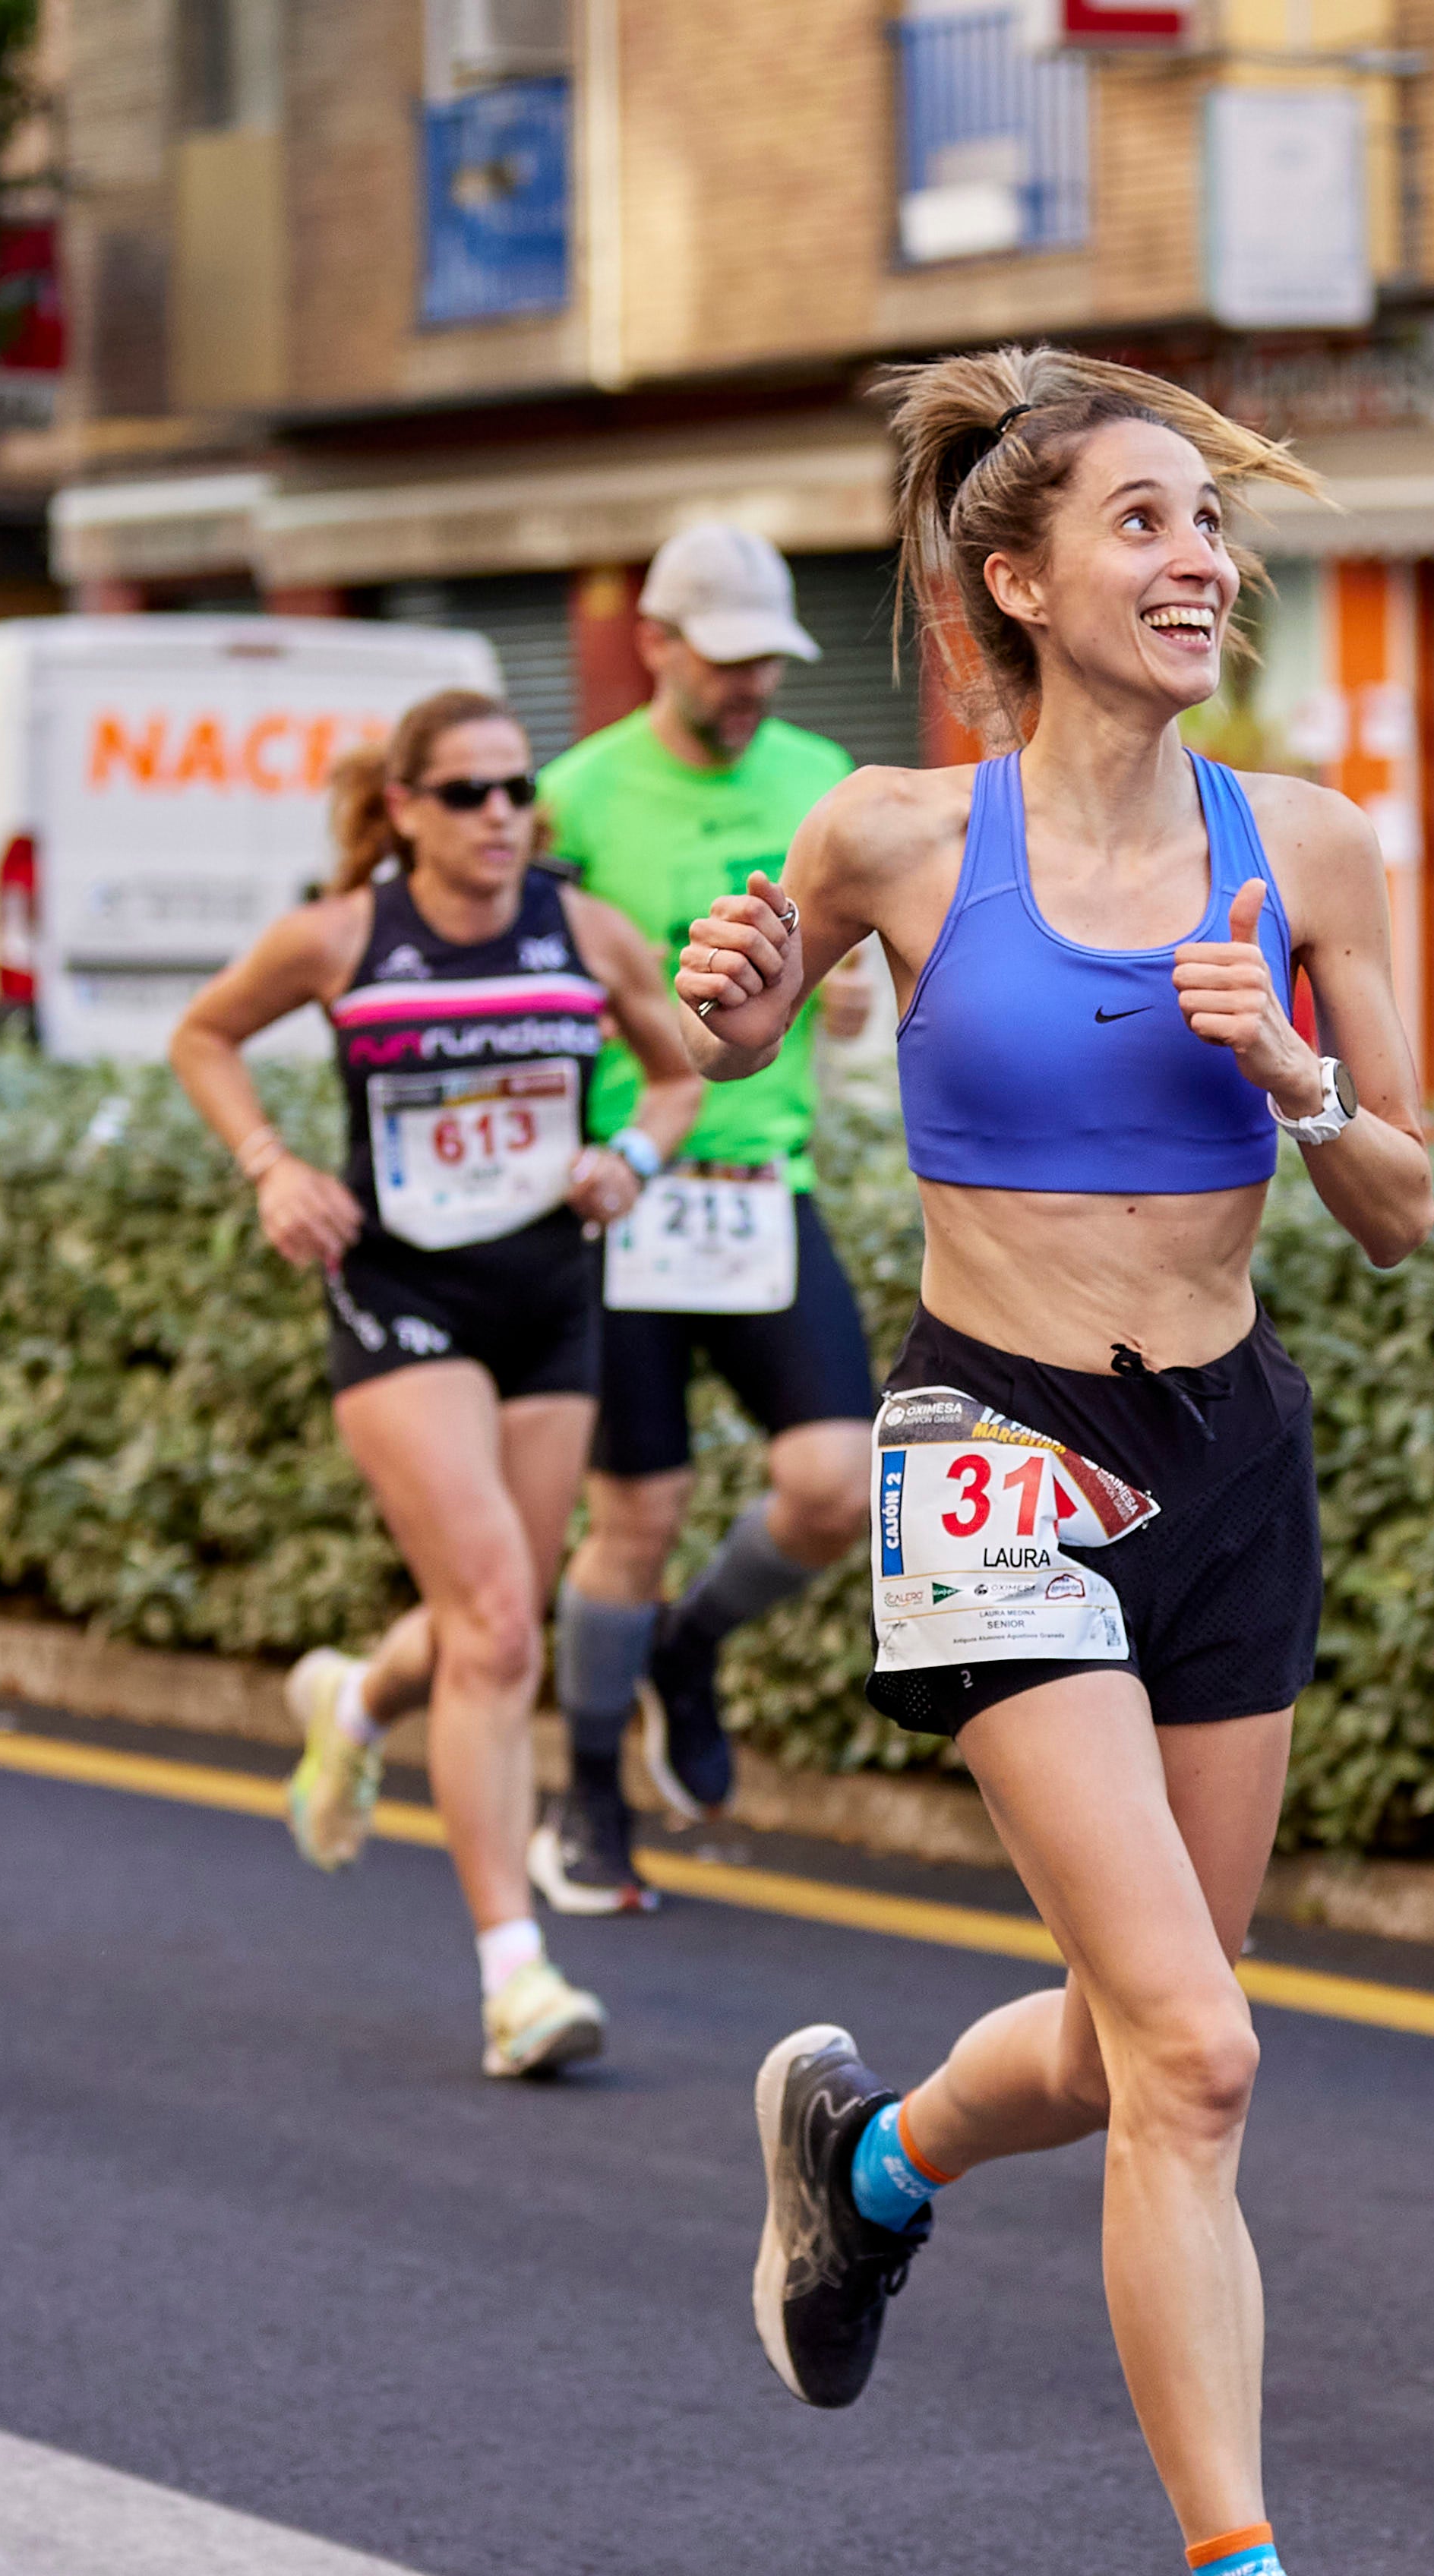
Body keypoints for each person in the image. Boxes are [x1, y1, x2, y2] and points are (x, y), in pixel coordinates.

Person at [676, 348, 1434, 2576]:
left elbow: (1406, 1199)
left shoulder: (1307, 852)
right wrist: (712, 1001)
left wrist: (1297, 1079)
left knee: (1159, 2036)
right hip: (990, 1444)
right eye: (1137, 527)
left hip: (1225, 1448)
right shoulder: (894, 835)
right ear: (1013, 580)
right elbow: (719, 1029)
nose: (1193, 564)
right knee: (1201, 2063)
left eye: (1202, 532)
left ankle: (869, 2168)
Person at [170, 689, 696, 2079]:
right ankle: (513, 1975)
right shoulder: (344, 937)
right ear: (403, 809)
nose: (499, 816)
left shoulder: (584, 932)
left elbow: (677, 1070)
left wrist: (632, 1160)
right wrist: (275, 1168)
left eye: (516, 789)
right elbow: (203, 1037)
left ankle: (350, 1704)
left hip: (546, 1301)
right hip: (399, 1298)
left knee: (494, 1627)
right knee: (498, 1624)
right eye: (464, 793)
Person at [529, 525, 880, 1918]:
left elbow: (848, 970)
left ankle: (688, 1646)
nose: (752, 689)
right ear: (657, 647)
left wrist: (851, 1000)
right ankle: (591, 1795)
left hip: (762, 1190)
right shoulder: (573, 799)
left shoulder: (819, 785)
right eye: (726, 662)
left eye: (769, 665)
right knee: (636, 1512)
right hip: (624, 1200)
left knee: (835, 1481)